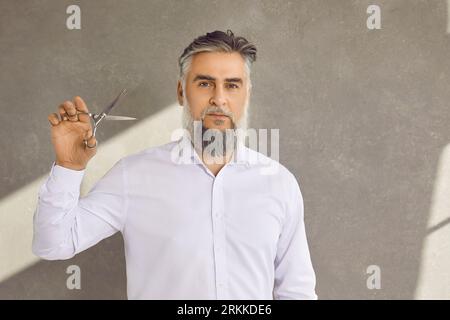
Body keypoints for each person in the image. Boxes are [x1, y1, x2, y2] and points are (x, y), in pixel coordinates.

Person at [32, 30, 317, 300]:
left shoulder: (279, 183)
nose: (219, 98)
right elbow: (53, 243)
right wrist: (68, 167)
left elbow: (297, 292)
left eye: (232, 85)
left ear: (247, 94)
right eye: (205, 83)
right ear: (181, 92)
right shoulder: (134, 175)